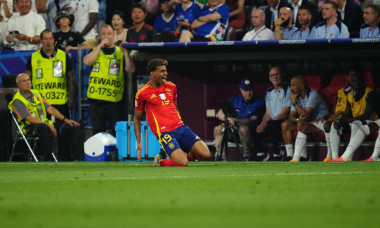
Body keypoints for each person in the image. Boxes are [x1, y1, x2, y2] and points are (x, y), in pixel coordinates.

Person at [134, 58, 211, 167]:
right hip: (165, 133)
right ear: (152, 73)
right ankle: (160, 161)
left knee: (206, 155)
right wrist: (139, 142)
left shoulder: (172, 87)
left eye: (166, 71)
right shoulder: (142, 93)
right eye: (162, 71)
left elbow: (176, 108)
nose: (165, 73)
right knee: (183, 163)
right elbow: (137, 118)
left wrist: (181, 124)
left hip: (181, 128)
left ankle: (179, 150)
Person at [24, 29, 83, 161]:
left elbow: (71, 79)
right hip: (42, 104)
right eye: (45, 39)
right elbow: (26, 80)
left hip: (61, 101)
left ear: (55, 41)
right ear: (41, 41)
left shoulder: (63, 56)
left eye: (51, 39)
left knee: (64, 132)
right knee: (44, 132)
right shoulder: (33, 58)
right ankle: (45, 158)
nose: (48, 41)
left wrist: (72, 98)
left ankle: (65, 158)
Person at [8, 73, 81, 161]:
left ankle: (76, 159)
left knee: (72, 127)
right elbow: (29, 118)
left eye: (28, 80)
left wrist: (65, 120)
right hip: (28, 128)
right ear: (18, 85)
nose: (28, 83)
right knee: (44, 128)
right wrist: (48, 125)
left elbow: (50, 108)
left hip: (44, 124)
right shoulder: (18, 100)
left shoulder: (36, 93)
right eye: (24, 81)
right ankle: (48, 158)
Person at [83, 25, 135, 136]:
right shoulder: (95, 51)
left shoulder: (120, 52)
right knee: (97, 132)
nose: (106, 36)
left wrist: (126, 53)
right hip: (95, 100)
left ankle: (116, 153)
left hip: (114, 101)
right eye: (103, 34)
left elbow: (131, 69)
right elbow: (87, 62)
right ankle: (100, 153)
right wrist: (99, 46)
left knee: (115, 131)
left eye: (109, 34)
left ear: (113, 36)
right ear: (100, 36)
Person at [332, 68, 379, 161]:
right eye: (353, 81)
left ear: (363, 81)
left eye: (358, 81)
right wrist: (340, 121)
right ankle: (333, 157)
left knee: (355, 123)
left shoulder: (370, 93)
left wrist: (346, 120)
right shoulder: (350, 95)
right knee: (334, 125)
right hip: (356, 120)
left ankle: (348, 157)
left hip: (372, 120)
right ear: (350, 83)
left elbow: (366, 115)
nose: (356, 83)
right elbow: (347, 112)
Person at [214, 78, 265, 161]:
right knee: (218, 128)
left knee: (243, 129)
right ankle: (221, 157)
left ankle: (247, 155)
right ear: (240, 89)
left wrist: (237, 122)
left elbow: (253, 119)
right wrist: (227, 119)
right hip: (232, 130)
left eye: (250, 89)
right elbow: (218, 114)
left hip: (248, 132)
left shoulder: (258, 101)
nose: (248, 93)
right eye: (245, 90)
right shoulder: (235, 99)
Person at [281, 75, 329, 161]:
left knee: (301, 123)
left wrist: (294, 102)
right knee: (285, 125)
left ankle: (304, 157)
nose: (291, 88)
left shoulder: (313, 95)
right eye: (290, 85)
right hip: (308, 124)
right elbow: (291, 116)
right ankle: (289, 156)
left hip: (321, 125)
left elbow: (305, 115)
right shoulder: (296, 96)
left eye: (294, 85)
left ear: (302, 86)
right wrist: (297, 119)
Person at [251, 66, 291, 161]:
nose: (275, 77)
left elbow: (284, 113)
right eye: (272, 75)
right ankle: (261, 154)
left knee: (271, 125)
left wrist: (266, 124)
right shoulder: (269, 91)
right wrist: (263, 123)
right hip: (271, 121)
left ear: (282, 75)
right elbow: (268, 113)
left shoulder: (287, 90)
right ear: (269, 78)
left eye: (277, 74)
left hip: (284, 120)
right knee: (253, 125)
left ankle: (278, 153)